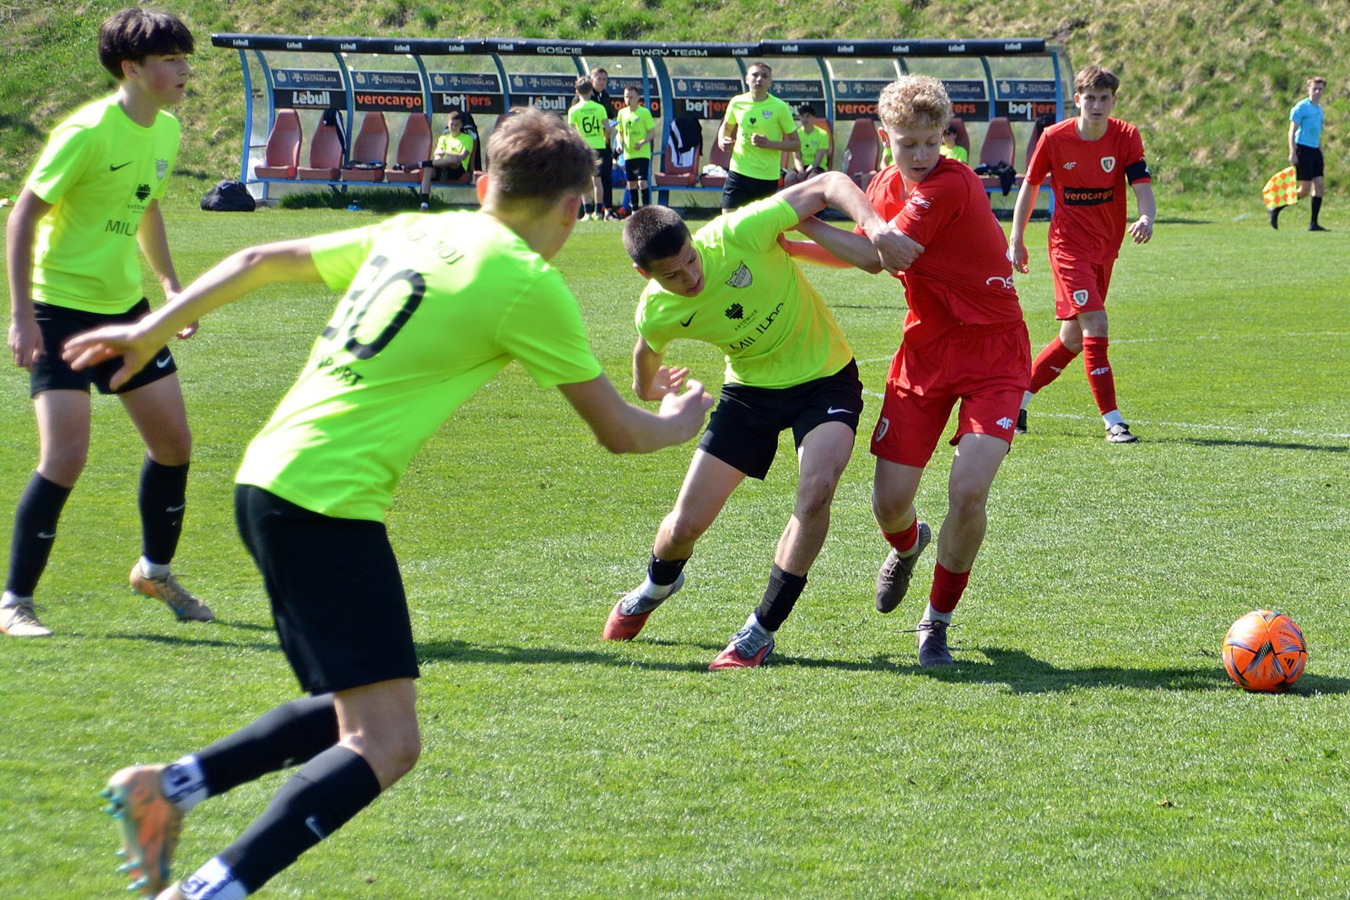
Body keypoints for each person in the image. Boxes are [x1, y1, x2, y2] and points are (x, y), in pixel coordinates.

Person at [67, 108, 713, 899]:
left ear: (484, 182)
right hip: (325, 502)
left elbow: (261, 258)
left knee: (358, 702)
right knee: (387, 742)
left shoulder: (415, 229)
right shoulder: (526, 283)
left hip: (269, 478)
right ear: (574, 209)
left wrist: (149, 331)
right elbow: (617, 432)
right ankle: (205, 892)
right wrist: (680, 422)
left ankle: (167, 789)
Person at [603, 171, 909, 669]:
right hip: (749, 394)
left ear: (693, 239)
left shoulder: (739, 231)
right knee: (683, 527)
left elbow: (830, 183)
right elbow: (645, 356)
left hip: (825, 378)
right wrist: (647, 388)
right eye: (673, 275)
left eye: (691, 259)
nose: (691, 277)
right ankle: (657, 586)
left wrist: (875, 227)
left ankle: (760, 629)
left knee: (817, 490)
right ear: (646, 275)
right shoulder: (656, 310)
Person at [785, 75, 1030, 667]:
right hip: (924, 351)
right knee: (890, 504)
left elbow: (877, 254)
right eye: (907, 143)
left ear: (946, 135)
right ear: (884, 137)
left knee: (968, 490)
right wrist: (789, 245)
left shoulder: (950, 183)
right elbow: (863, 253)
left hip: (994, 353)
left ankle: (936, 622)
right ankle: (908, 543)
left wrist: (796, 220)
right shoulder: (884, 186)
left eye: (930, 141)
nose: (920, 155)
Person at [1, 8, 210, 639]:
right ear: (132, 69)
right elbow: (22, 217)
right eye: (170, 59)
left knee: (173, 445)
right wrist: (22, 317)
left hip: (125, 311)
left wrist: (169, 286)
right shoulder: (85, 132)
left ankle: (154, 571)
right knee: (65, 457)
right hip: (58, 310)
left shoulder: (166, 130)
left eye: (184, 57)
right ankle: (14, 602)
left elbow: (145, 209)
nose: (184, 69)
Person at [1008, 65, 1155, 444]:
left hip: (1105, 248)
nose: (1097, 105)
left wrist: (1147, 216)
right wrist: (1016, 237)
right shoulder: (1055, 138)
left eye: (1104, 98)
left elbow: (1141, 183)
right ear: (1077, 100)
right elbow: (1030, 185)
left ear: (1113, 101)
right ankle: (1113, 421)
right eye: (1090, 98)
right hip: (1067, 248)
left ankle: (1015, 401)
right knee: (1096, 324)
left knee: (1073, 338)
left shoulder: (1125, 136)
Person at [716, 61, 800, 211]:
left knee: (762, 224)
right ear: (747, 79)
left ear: (770, 82)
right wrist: (722, 140)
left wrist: (769, 144)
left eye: (764, 76)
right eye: (755, 75)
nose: (759, 79)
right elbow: (726, 127)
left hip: (766, 177)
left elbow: (795, 144)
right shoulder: (737, 102)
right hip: (738, 172)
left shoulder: (780, 107)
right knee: (729, 220)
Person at [1271, 76, 1328, 231]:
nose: (1317, 92)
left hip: (1315, 150)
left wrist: (1321, 153)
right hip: (1303, 149)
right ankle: (1277, 207)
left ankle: (1313, 223)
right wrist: (1292, 151)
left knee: (1319, 186)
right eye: (1314, 89)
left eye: (1320, 89)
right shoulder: (1301, 107)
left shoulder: (1319, 109)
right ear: (1308, 89)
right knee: (1304, 190)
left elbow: (1317, 133)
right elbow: (1292, 131)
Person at [567, 76, 612, 220]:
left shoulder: (574, 110)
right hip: (599, 146)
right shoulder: (599, 108)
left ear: (577, 91)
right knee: (597, 180)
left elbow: (572, 132)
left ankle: (587, 212)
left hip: (583, 148)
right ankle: (598, 212)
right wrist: (605, 140)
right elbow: (608, 128)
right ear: (591, 90)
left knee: (584, 180)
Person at [418, 110, 475, 211]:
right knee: (428, 169)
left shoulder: (468, 138)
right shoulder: (443, 138)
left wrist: (445, 152)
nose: (453, 127)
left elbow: (462, 157)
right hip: (443, 167)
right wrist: (441, 160)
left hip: (457, 169)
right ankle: (424, 205)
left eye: (456, 125)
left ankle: (422, 163)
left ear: (461, 125)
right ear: (448, 124)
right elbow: (437, 155)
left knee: (454, 159)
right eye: (452, 124)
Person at [616, 84, 656, 213]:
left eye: (631, 97)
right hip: (629, 154)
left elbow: (652, 132)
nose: (628, 100)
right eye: (626, 97)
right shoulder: (622, 113)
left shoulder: (644, 112)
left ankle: (646, 209)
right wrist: (619, 144)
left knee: (642, 182)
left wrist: (642, 143)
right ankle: (634, 210)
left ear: (638, 98)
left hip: (642, 153)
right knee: (631, 183)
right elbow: (620, 132)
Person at [589, 67, 620, 219]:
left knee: (606, 176)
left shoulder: (605, 96)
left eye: (604, 79)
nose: (602, 82)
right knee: (591, 178)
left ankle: (608, 210)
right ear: (591, 80)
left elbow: (611, 116)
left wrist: (613, 125)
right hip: (589, 145)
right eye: (599, 79)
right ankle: (589, 210)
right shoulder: (585, 97)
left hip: (604, 143)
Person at [783, 103, 831, 186]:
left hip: (817, 167)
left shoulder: (822, 134)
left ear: (813, 117)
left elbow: (818, 160)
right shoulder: (797, 134)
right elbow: (796, 158)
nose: (804, 120)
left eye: (807, 116)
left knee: (811, 179)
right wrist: (800, 171)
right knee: (789, 178)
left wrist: (806, 172)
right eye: (802, 117)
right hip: (802, 167)